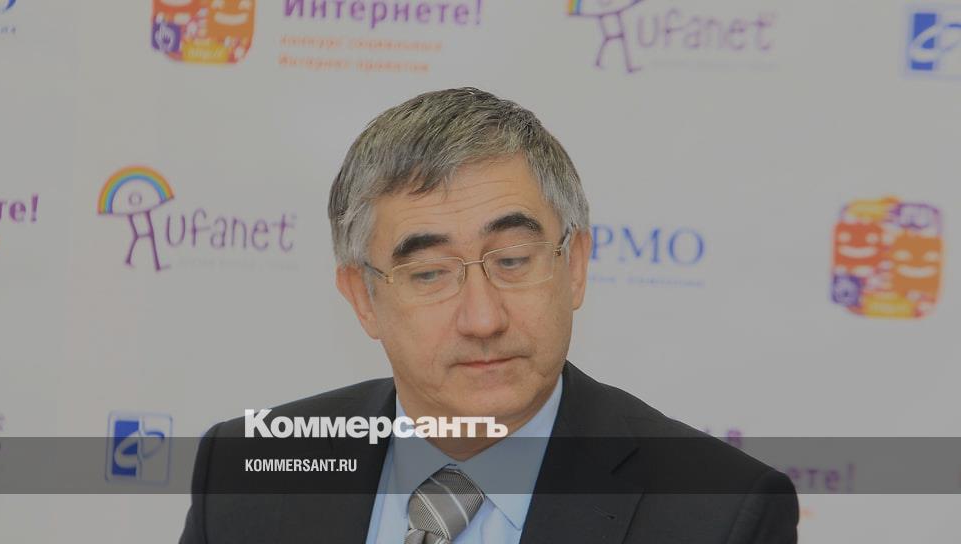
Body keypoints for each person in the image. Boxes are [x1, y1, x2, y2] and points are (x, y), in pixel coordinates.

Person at [180, 87, 798, 543]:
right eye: (429, 273)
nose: (482, 319)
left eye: (513, 260)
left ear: (574, 266)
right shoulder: (246, 474)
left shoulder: (720, 512)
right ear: (363, 297)